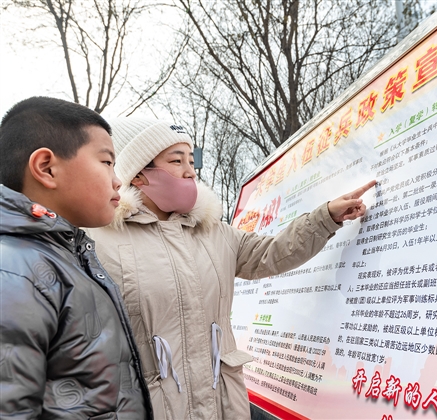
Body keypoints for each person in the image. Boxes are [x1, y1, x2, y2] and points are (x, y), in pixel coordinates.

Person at [86, 117, 376, 419]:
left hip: (223, 405)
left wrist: (325, 217)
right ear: (138, 175)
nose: (190, 171)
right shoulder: (99, 239)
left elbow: (273, 252)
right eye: (176, 161)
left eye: (191, 161)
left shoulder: (214, 232)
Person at [0, 97, 153, 419]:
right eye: (107, 162)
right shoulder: (15, 272)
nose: (118, 180)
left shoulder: (66, 256)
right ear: (47, 168)